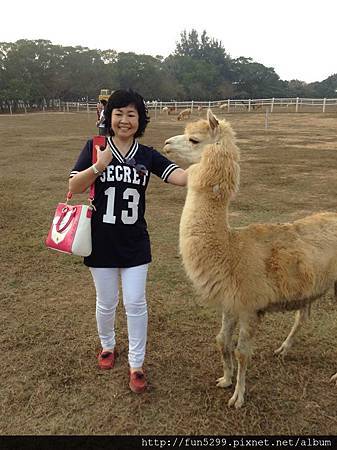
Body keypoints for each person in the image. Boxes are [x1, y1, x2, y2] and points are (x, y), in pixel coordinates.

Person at [69, 89, 187, 393]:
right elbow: (75, 185)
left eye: (131, 114)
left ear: (140, 119)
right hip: (101, 240)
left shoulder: (147, 155)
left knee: (135, 302)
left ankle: (137, 363)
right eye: (118, 113)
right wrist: (99, 165)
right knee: (106, 302)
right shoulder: (94, 147)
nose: (124, 120)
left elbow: (181, 177)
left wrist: (212, 159)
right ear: (109, 117)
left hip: (135, 241)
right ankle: (107, 346)